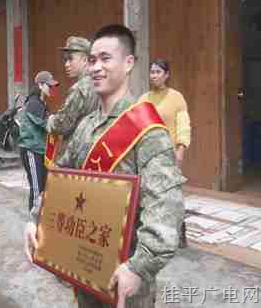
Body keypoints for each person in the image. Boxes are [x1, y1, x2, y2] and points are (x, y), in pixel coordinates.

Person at [24, 24, 184, 308]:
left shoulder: (148, 130)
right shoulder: (85, 127)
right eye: (93, 60)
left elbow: (165, 211)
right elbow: (59, 179)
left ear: (128, 63)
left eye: (106, 59)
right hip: (84, 268)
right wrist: (35, 218)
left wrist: (139, 268)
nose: (96, 67)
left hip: (126, 280)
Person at [138, 59, 191, 247]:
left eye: (158, 72)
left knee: (173, 193)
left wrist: (181, 149)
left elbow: (183, 125)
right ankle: (153, 233)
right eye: (152, 72)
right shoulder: (144, 99)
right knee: (150, 194)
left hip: (169, 153)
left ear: (167, 75)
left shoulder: (176, 97)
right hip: (148, 155)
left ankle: (180, 231)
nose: (154, 76)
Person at [47, 36, 100, 158]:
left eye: (70, 59)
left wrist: (50, 120)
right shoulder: (98, 83)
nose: (66, 64)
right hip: (93, 152)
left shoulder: (80, 89)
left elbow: (62, 125)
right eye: (65, 60)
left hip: (75, 154)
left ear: (85, 60)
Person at [19, 71, 58, 212]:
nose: (51, 88)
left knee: (43, 187)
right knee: (37, 189)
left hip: (40, 150)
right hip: (31, 150)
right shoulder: (34, 103)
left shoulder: (41, 103)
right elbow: (46, 124)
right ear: (40, 85)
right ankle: (34, 223)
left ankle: (41, 221)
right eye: (49, 85)